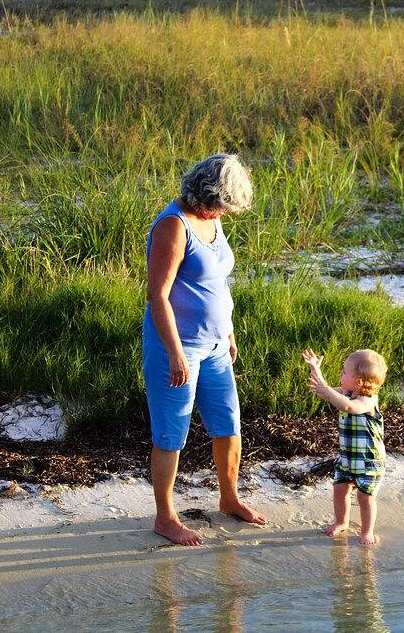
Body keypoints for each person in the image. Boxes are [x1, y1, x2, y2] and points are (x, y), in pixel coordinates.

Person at [144, 153, 266, 547]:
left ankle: (229, 499)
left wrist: (227, 331)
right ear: (207, 195)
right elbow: (158, 296)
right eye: (222, 205)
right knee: (171, 432)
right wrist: (176, 352)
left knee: (229, 423)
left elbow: (217, 281)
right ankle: (165, 517)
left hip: (215, 345)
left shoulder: (211, 221)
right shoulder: (172, 227)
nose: (224, 214)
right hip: (179, 347)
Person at [302, 348, 388, 545]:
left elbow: (348, 407)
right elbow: (327, 393)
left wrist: (325, 387)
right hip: (347, 459)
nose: (341, 374)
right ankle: (342, 522)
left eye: (344, 372)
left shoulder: (367, 400)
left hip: (369, 462)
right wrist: (315, 368)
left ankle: (367, 531)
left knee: (365, 497)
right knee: (340, 489)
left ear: (358, 381)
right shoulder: (347, 392)